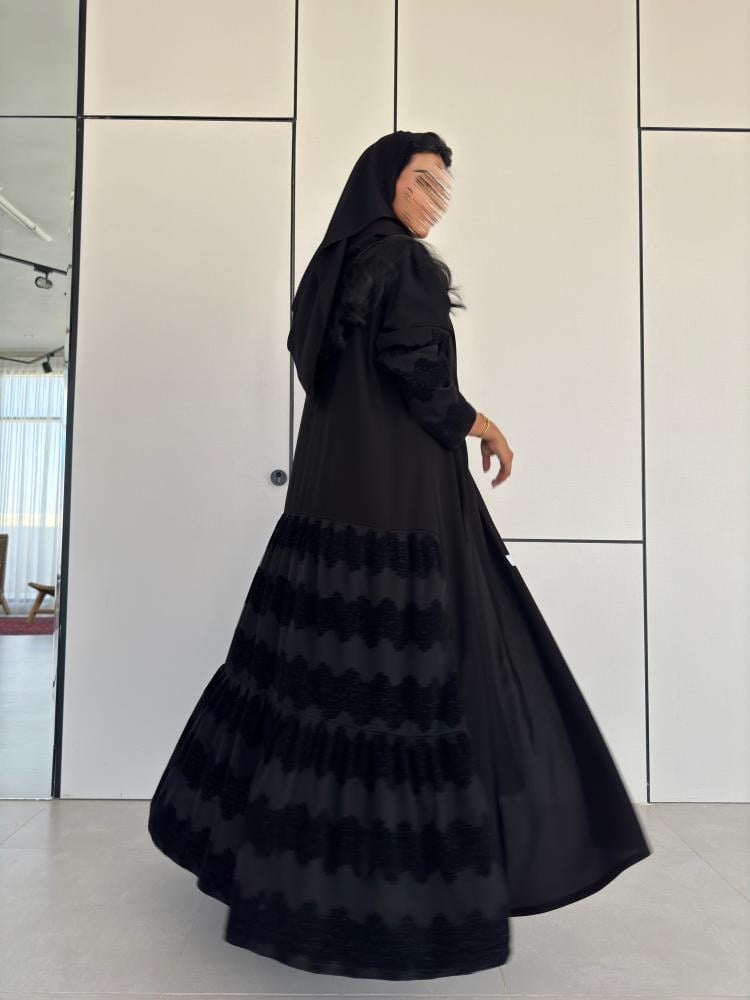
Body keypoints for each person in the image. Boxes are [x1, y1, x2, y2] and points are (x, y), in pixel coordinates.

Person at [148, 129, 652, 981]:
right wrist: (481, 423)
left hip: (328, 498)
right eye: (422, 182)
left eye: (443, 188)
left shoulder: (336, 267)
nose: (434, 201)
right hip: (399, 502)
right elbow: (419, 374)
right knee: (411, 673)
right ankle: (385, 909)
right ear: (383, 183)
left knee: (312, 672)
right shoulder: (406, 266)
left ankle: (276, 876)